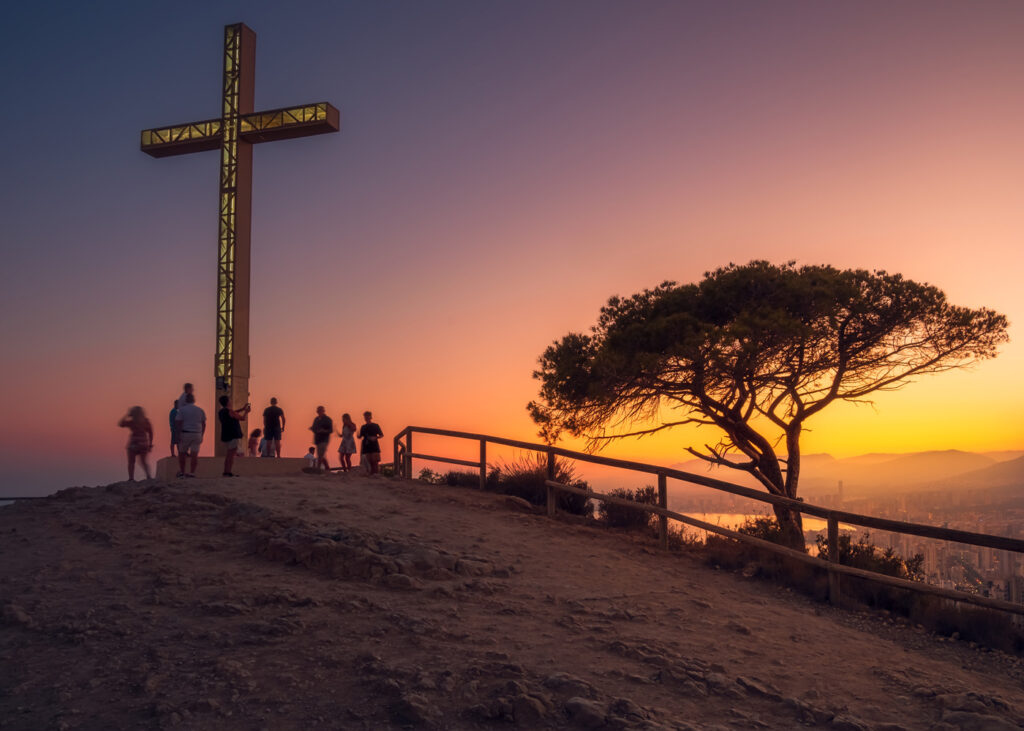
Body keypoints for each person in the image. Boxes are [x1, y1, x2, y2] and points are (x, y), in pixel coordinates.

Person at [218, 395, 251, 477]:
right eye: (230, 400)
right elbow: (242, 418)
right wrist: (246, 412)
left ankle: (226, 472)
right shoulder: (230, 411)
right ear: (228, 402)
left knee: (228, 454)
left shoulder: (221, 411)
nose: (231, 401)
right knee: (231, 455)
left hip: (226, 435)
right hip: (233, 434)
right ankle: (228, 472)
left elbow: (233, 413)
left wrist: (242, 409)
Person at [118, 406, 153, 480]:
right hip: (144, 443)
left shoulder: (132, 422)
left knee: (131, 462)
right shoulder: (146, 421)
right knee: (143, 462)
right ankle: (148, 476)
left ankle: (131, 478)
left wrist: (127, 415)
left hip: (134, 443)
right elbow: (150, 433)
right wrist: (150, 444)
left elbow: (121, 424)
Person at [175, 393, 206, 478]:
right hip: (197, 434)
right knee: (194, 454)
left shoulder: (182, 410)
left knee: (182, 453)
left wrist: (178, 434)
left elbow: (178, 423)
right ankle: (192, 472)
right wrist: (202, 434)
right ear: (194, 400)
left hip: (185, 433)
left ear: (185, 400)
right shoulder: (200, 410)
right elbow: (203, 424)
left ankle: (182, 472)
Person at [358, 410, 384, 475]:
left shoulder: (375, 425)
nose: (366, 418)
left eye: (367, 416)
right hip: (366, 446)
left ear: (371, 417)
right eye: (365, 416)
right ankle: (371, 476)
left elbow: (381, 435)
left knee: (375, 462)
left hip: (374, 445)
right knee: (368, 462)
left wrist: (375, 438)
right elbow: (360, 436)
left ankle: (376, 476)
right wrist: (358, 435)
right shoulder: (363, 427)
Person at [309, 406, 333, 472]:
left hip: (324, 440)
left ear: (323, 411)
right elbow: (314, 429)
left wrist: (323, 430)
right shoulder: (316, 419)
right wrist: (313, 429)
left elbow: (330, 430)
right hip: (318, 440)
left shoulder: (328, 419)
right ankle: (327, 468)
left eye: (320, 411)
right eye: (318, 411)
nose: (319, 412)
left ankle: (318, 469)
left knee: (320, 455)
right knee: (321, 455)